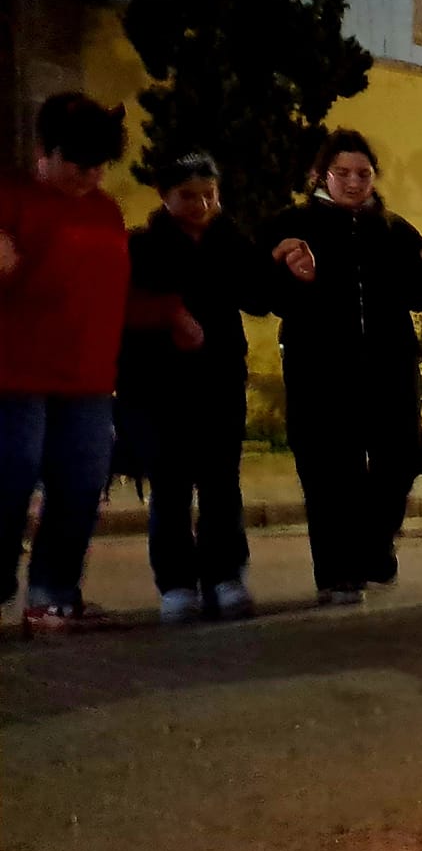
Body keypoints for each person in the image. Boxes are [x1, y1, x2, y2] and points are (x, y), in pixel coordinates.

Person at [264, 129, 422, 605]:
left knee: (400, 458)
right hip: (320, 371)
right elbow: (265, 295)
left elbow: (420, 295)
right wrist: (289, 274)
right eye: (343, 173)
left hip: (389, 366)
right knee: (330, 471)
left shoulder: (392, 229)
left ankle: (373, 546)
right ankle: (337, 574)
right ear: (321, 175)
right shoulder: (293, 223)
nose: (353, 182)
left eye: (363, 174)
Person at [118, 152, 275, 622]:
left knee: (221, 480)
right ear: (164, 196)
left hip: (220, 377)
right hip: (158, 383)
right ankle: (177, 583)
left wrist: (283, 265)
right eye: (188, 195)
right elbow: (124, 307)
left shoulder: (231, 241)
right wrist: (169, 316)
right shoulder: (143, 246)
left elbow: (259, 298)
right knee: (170, 483)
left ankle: (226, 575)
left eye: (209, 194)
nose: (201, 204)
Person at [0, 94, 133, 634]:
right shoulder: (10, 198)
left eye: (102, 164)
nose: (93, 174)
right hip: (14, 374)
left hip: (88, 377)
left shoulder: (106, 209)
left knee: (81, 485)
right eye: (80, 164)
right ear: (45, 152)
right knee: (8, 480)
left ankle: (53, 593)